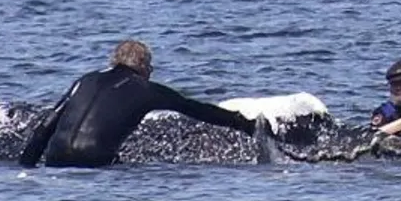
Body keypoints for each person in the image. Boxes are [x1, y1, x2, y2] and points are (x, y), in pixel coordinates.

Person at [18, 39, 256, 168]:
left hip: (55, 159)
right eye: (150, 67)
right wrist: (243, 124)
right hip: (94, 164)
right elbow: (195, 108)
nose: (150, 72)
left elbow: (47, 124)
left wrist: (26, 166)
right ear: (142, 65)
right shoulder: (145, 89)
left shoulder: (85, 80)